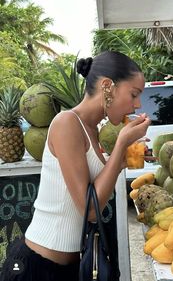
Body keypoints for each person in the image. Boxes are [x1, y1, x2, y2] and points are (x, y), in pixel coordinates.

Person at [0, 51, 150, 281]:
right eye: (134, 94)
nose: (137, 104)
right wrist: (121, 144)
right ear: (107, 86)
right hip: (36, 268)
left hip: (70, 267)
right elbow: (89, 209)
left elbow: (95, 187)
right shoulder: (66, 123)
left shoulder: (92, 130)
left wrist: (122, 160)